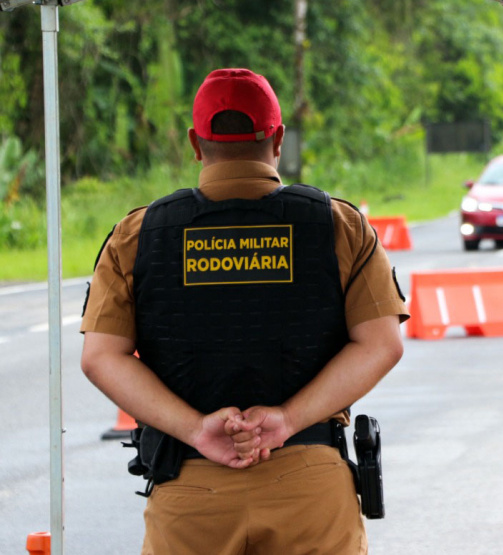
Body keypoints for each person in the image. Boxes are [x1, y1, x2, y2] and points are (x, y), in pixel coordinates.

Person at [80, 68, 408, 554]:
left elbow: (101, 356)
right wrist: (287, 419)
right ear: (277, 139)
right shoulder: (341, 226)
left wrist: (196, 429)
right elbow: (381, 344)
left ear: (196, 144)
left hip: (190, 494)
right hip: (311, 492)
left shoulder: (137, 236)